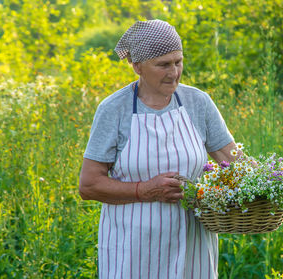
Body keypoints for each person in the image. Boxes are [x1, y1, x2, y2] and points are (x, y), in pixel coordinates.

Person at [78, 19, 237, 279]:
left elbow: (234, 161)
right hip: (132, 252)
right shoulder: (114, 110)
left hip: (193, 247)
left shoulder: (198, 102)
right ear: (137, 66)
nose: (173, 72)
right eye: (163, 64)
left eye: (178, 62)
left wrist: (275, 189)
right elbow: (89, 185)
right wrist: (144, 190)